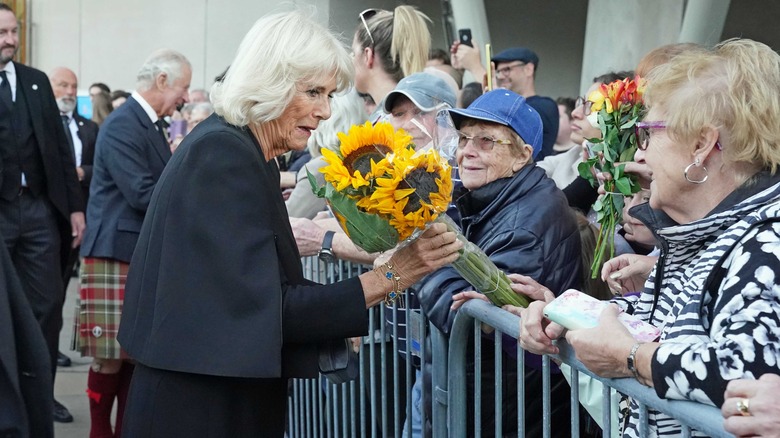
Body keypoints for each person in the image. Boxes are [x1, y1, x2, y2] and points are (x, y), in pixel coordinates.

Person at [116, 11, 462, 438]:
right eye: (313, 92)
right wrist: (394, 274)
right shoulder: (224, 156)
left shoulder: (240, 149)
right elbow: (265, 309)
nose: (324, 111)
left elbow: (253, 295)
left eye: (330, 94)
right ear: (268, 82)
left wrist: (344, 315)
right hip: (200, 407)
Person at [518, 38, 780, 437]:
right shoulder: (699, 236)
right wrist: (565, 314)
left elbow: (747, 377)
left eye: (647, 135)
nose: (638, 156)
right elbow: (668, 328)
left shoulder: (765, 241)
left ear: (701, 145)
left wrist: (630, 357)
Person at [417, 89, 581, 437]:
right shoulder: (489, 197)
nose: (467, 151)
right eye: (463, 138)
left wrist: (419, 256)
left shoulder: (526, 223)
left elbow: (457, 308)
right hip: (492, 404)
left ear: (522, 156)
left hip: (509, 412)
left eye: (486, 140)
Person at [78, 48, 191, 438]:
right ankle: (98, 432)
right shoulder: (125, 124)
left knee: (130, 357)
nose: (186, 98)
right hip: (114, 252)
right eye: (184, 87)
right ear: (162, 81)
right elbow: (143, 192)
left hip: (131, 252)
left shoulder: (146, 123)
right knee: (109, 357)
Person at [0, 4, 85, 424]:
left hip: (37, 210)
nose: (10, 40)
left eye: (13, 31)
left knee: (48, 303)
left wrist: (74, 208)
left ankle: (41, 395)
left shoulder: (35, 83)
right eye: (2, 32)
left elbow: (60, 149)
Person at [49, 66, 99, 367]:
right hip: (51, 218)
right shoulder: (41, 126)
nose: (69, 92)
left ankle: (53, 345)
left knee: (66, 287)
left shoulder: (89, 128)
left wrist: (81, 173)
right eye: (63, 85)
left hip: (84, 217)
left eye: (73, 86)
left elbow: (102, 167)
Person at [450, 43, 559, 161]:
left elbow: (514, 118)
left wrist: (475, 67)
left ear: (529, 69)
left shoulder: (544, 105)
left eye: (507, 70)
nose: (501, 76)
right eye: (498, 72)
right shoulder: (504, 104)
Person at [352, 5, 431, 122]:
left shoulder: (391, 124)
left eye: (353, 53)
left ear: (368, 56)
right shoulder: (421, 115)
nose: (351, 60)